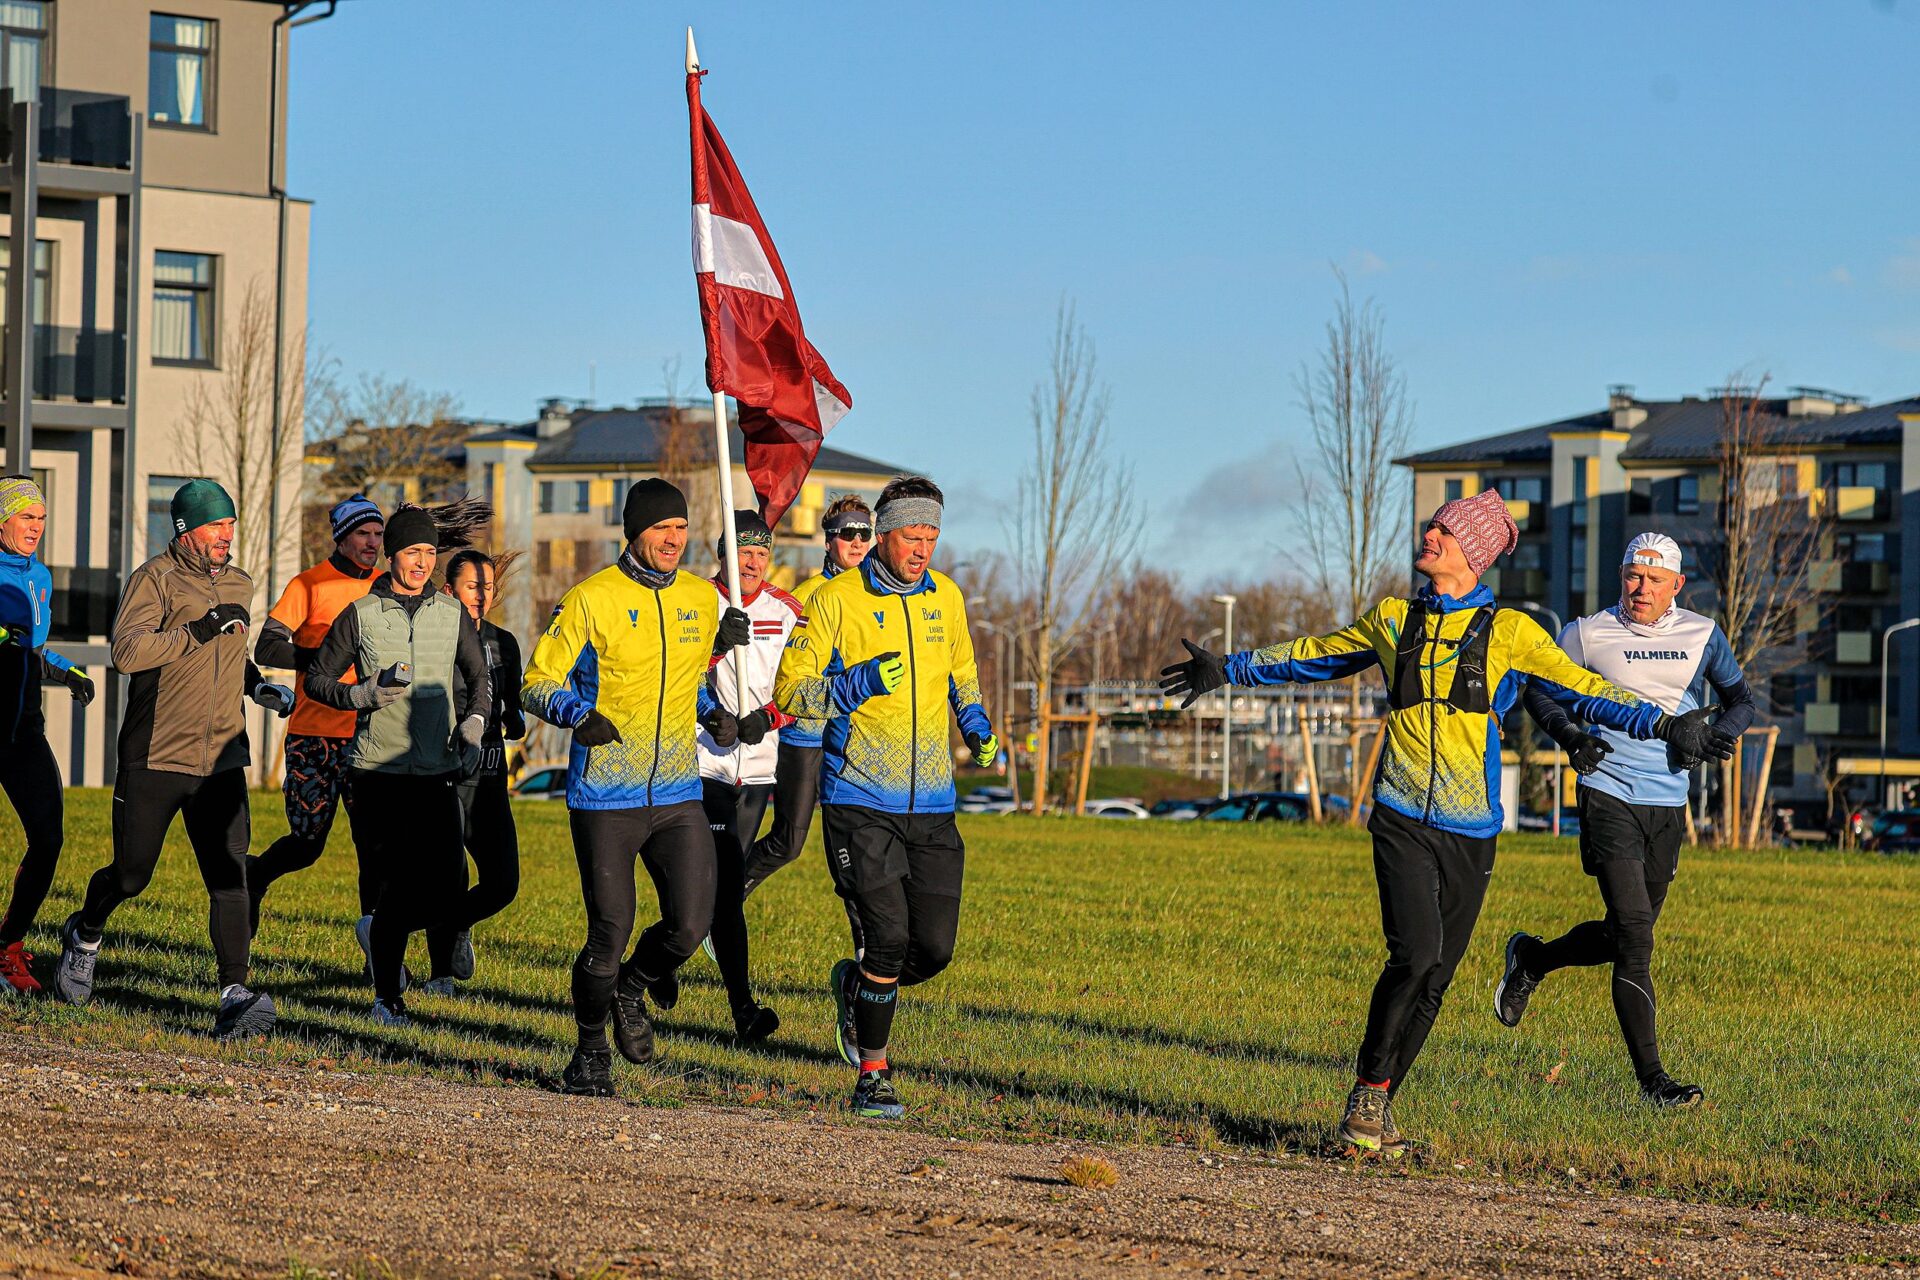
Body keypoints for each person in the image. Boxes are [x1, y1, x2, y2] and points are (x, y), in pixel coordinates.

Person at [1157, 489, 1721, 1154]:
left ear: (1472, 555)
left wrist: (1664, 725)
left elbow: (1588, 688)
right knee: (1415, 955)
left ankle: (1379, 1107)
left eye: (1444, 533)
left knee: (1437, 980)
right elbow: (1314, 653)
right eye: (1431, 528)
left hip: (1472, 830)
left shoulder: (1512, 633)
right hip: (1400, 817)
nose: (1429, 537)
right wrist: (1228, 668)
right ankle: (1367, 1092)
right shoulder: (1393, 619)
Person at [1498, 533, 1751, 1109]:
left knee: (1624, 934)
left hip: (1668, 803)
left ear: (1676, 585)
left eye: (1655, 580)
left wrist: (1717, 736)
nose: (1642, 589)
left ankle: (1534, 958)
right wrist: (1572, 737)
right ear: (1621, 575)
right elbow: (1540, 694)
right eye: (1633, 576)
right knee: (1636, 935)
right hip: (1606, 791)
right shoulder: (1586, 633)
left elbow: (1741, 702)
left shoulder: (1703, 635)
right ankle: (1654, 1082)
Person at [774, 475, 997, 1121]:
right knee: (888, 938)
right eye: (911, 537)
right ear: (884, 534)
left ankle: (857, 988)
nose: (922, 549)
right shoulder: (834, 600)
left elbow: (963, 676)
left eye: (932, 537)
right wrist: (858, 682)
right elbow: (790, 692)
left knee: (934, 950)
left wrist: (975, 724)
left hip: (932, 804)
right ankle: (873, 1073)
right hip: (858, 799)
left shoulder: (947, 597)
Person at [521, 478, 750, 1097]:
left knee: (691, 924)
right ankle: (590, 1052)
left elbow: (688, 681)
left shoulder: (700, 597)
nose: (674, 539)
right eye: (661, 528)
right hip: (605, 796)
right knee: (609, 930)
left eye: (680, 528)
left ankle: (631, 987)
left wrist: (713, 713)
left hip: (677, 792)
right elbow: (536, 682)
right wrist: (578, 714)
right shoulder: (591, 598)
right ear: (634, 532)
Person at [54, 479, 294, 1038]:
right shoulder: (154, 579)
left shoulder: (240, 582)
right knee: (132, 874)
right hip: (157, 753)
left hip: (223, 757)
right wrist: (201, 629)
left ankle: (234, 994)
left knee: (230, 877)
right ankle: (85, 933)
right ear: (185, 530)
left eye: (230, 524)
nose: (226, 535)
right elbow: (128, 651)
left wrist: (257, 686)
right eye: (216, 525)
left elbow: (231, 655)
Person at [303, 502, 491, 1026]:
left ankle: (381, 936)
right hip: (376, 774)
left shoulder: (451, 613)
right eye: (412, 552)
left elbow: (480, 678)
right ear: (393, 555)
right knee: (394, 888)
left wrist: (474, 723)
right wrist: (361, 694)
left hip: (436, 772)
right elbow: (318, 680)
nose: (422, 562)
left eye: (430, 552)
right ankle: (386, 999)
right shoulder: (362, 613)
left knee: (446, 888)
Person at [247, 494, 384, 941]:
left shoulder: (386, 586)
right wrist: (324, 658)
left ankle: (376, 942)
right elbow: (267, 647)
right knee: (307, 844)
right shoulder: (309, 584)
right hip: (314, 735)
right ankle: (255, 876)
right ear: (341, 538)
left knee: (373, 844)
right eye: (363, 534)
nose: (373, 542)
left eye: (378, 534)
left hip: (369, 737)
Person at [696, 510, 802, 1042]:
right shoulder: (695, 601)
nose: (753, 561)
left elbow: (804, 686)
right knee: (712, 887)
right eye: (743, 552)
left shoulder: (789, 611)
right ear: (723, 556)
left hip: (758, 770)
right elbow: (675, 672)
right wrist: (714, 647)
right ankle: (742, 1007)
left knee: (723, 890)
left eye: (762, 552)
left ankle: (654, 964)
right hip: (705, 763)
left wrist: (769, 719)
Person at [739, 494, 873, 900]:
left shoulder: (876, 594)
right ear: (829, 541)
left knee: (854, 855)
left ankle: (868, 939)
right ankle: (719, 903)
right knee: (788, 843)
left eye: (865, 533)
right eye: (847, 533)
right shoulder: (807, 596)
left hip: (856, 741)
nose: (857, 542)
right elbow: (782, 670)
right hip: (806, 738)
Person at [0, 476, 94, 995]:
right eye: (26, 517)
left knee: (49, 837)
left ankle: (7, 946)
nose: (36, 527)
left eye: (41, 518)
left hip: (23, 731)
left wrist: (67, 670)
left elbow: (32, 648)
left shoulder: (38, 578)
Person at [421, 547, 526, 993]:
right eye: (472, 587)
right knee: (446, 877)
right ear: (449, 591)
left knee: (503, 883)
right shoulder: (433, 640)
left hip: (489, 780)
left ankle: (457, 924)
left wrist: (515, 719)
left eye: (487, 586)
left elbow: (513, 708)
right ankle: (440, 975)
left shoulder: (505, 642)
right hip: (443, 778)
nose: (482, 595)